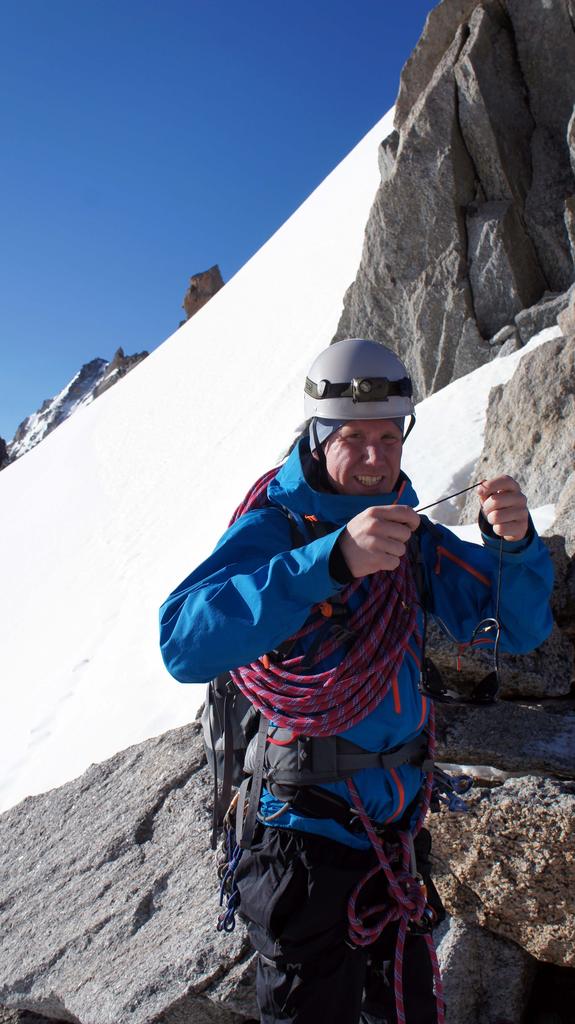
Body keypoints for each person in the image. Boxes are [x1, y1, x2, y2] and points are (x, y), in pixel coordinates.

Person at [159, 338, 553, 1024]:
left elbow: (512, 630)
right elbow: (183, 643)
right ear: (317, 438)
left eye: (388, 437)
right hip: (300, 844)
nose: (375, 458)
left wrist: (513, 548)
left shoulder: (410, 540)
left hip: (395, 838)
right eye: (353, 439)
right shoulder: (277, 529)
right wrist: (331, 562)